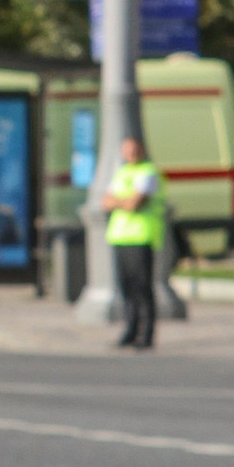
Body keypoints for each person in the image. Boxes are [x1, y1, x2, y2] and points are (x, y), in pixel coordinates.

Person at [102, 133, 165, 348]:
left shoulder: (148, 172)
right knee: (126, 288)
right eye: (126, 150)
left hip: (141, 236)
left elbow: (134, 204)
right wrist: (123, 200)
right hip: (120, 237)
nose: (130, 153)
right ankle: (130, 330)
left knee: (142, 288)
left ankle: (146, 334)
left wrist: (119, 201)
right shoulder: (122, 172)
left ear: (142, 150)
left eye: (134, 149)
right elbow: (106, 201)